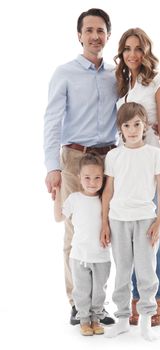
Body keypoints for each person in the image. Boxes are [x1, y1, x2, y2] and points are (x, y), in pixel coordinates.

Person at [43, 8, 117, 325]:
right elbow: (52, 121)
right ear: (79, 35)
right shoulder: (65, 73)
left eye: (100, 30)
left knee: (108, 229)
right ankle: (77, 303)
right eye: (89, 30)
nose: (94, 36)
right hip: (75, 159)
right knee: (75, 231)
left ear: (108, 35)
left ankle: (100, 303)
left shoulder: (117, 74)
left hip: (110, 158)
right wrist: (52, 167)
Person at [114, 27, 160, 326]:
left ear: (146, 51)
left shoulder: (158, 82)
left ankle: (159, 297)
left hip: (150, 166)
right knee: (130, 234)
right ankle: (137, 298)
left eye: (138, 48)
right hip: (125, 168)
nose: (132, 54)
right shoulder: (123, 84)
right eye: (127, 48)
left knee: (153, 233)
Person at [101, 102, 160, 341]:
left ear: (145, 125)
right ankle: (121, 320)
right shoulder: (113, 155)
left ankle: (146, 322)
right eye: (127, 125)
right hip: (118, 219)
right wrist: (104, 223)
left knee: (146, 270)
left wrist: (159, 221)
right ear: (120, 128)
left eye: (137, 124)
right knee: (122, 271)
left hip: (145, 219)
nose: (132, 130)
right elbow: (108, 191)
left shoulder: (154, 154)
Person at [53, 152, 111, 336]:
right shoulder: (75, 199)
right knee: (82, 290)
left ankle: (96, 319)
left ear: (103, 178)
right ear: (79, 177)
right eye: (87, 177)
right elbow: (58, 218)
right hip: (79, 256)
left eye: (97, 178)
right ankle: (84, 320)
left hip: (101, 255)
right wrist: (56, 197)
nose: (92, 182)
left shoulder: (105, 200)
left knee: (99, 290)